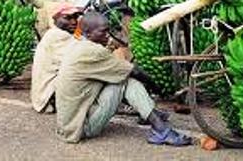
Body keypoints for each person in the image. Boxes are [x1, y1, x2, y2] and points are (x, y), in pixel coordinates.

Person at [55, 11, 192, 145]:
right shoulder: (93, 51)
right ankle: (161, 129)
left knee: (119, 78)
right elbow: (134, 71)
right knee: (127, 80)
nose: (107, 35)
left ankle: (148, 113)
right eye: (103, 32)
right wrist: (157, 89)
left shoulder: (77, 44)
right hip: (81, 128)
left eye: (108, 31)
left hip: (68, 126)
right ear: (88, 32)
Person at [31, 3, 84, 113]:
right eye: (67, 18)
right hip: (47, 92)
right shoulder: (58, 36)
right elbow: (77, 60)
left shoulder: (57, 34)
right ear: (55, 19)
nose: (74, 22)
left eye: (75, 17)